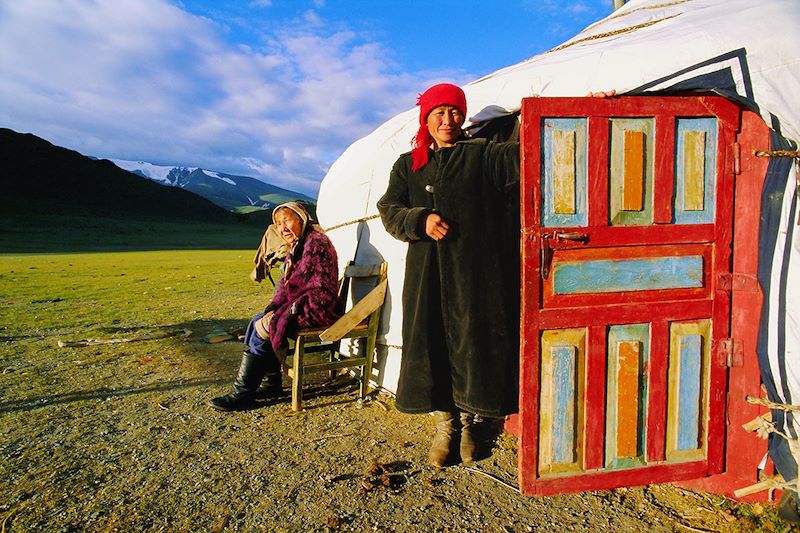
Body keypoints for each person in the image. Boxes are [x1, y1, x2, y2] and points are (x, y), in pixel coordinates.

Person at [377, 83, 520, 467]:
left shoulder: (484, 155)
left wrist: (583, 111)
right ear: (426, 119)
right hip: (427, 275)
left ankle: (472, 423)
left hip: (475, 274)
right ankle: (446, 427)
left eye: (455, 112)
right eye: (439, 113)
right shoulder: (408, 164)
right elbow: (389, 208)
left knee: (473, 343)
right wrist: (419, 219)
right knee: (432, 344)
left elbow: (535, 153)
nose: (448, 120)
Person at [209, 201, 341, 412]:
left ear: (301, 219)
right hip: (302, 303)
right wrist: (275, 305)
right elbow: (286, 285)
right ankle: (270, 384)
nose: (282, 228)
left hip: (316, 306)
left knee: (265, 326)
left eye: (287, 220)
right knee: (257, 321)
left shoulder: (315, 243)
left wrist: (285, 308)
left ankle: (243, 393)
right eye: (278, 224)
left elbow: (311, 285)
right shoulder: (298, 245)